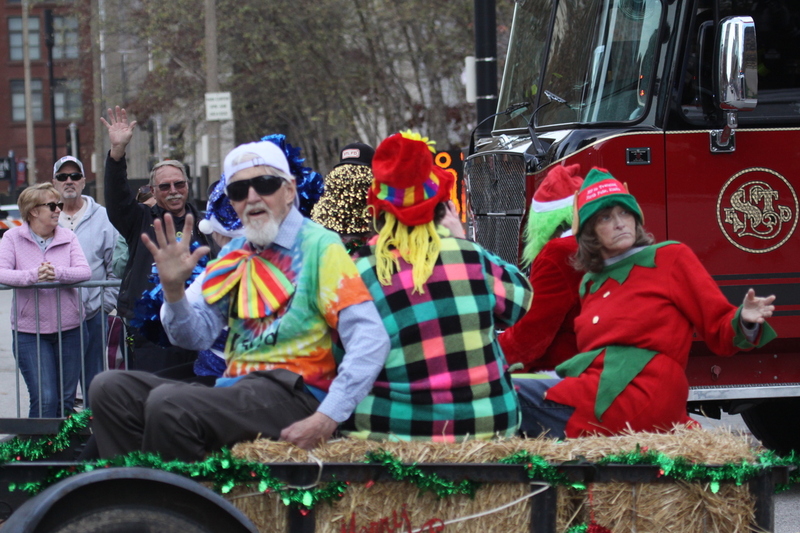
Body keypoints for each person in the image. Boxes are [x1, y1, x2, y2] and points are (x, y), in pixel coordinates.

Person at [88, 139, 390, 461]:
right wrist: (174, 292)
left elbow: (370, 338)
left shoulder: (320, 245)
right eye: (239, 190)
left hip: (294, 391)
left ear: (289, 190)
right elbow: (194, 336)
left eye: (265, 184)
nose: (252, 197)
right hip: (236, 390)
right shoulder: (235, 253)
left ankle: (182, 506)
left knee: (169, 405)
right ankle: (130, 499)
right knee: (109, 390)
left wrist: (327, 417)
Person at [517, 167, 777, 438]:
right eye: (606, 216)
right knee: (497, 391)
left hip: (644, 394)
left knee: (502, 397)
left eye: (625, 212)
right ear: (589, 233)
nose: (620, 222)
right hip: (596, 390)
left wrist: (744, 319)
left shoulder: (670, 257)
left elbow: (720, 328)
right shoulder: (590, 283)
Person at [341, 131, 532, 441]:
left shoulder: (359, 270)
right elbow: (520, 301)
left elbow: (341, 359)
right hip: (488, 429)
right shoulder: (471, 257)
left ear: (380, 210)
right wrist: (460, 240)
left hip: (395, 435)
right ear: (440, 207)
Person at [101, 106, 210, 373]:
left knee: (196, 400)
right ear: (154, 190)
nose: (173, 191)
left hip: (200, 324)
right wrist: (117, 154)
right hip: (150, 329)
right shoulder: (139, 220)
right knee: (155, 400)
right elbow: (116, 199)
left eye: (179, 184)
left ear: (187, 184)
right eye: (164, 186)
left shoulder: (208, 224)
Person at [0, 183, 91, 417]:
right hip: (30, 333)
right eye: (52, 205)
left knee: (66, 401)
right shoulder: (12, 238)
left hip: (71, 329)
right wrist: (33, 276)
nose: (58, 210)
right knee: (45, 400)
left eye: (59, 205)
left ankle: (63, 454)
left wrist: (57, 273)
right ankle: (37, 454)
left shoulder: (68, 236)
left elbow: (84, 271)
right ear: (33, 211)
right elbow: (1, 272)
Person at [498, 164, 584, 373]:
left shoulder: (559, 253)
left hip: (565, 373)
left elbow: (529, 337)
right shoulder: (595, 245)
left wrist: (488, 361)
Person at [51, 155, 120, 406]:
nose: (69, 181)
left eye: (75, 176)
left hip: (93, 315)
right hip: (54, 318)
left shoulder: (103, 216)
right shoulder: (46, 216)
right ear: (54, 182)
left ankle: (96, 438)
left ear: (83, 181)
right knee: (59, 389)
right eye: (62, 177)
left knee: (94, 385)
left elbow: (115, 267)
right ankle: (60, 442)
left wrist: (103, 306)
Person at [311, 142, 376, 253]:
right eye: (344, 170)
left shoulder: (321, 212)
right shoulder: (379, 208)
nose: (350, 176)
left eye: (357, 170)